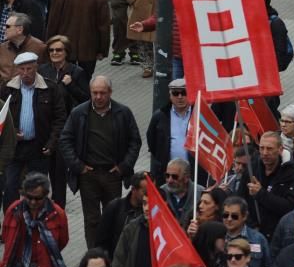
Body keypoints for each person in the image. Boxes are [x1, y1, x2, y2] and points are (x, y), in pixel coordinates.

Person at [59, 75, 141, 248]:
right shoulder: (79, 112)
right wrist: (78, 166)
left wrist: (124, 166)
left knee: (115, 216)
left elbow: (135, 141)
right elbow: (65, 140)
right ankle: (94, 254)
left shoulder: (123, 113)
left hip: (113, 174)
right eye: (94, 93)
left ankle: (113, 253)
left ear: (110, 92)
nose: (98, 97)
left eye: (102, 93)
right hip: (88, 175)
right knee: (92, 219)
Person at [0, 51, 67, 210]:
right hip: (14, 148)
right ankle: (12, 221)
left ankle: (37, 220)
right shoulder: (8, 88)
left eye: (29, 69)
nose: (25, 73)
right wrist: (12, 133)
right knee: (10, 187)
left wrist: (51, 143)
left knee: (37, 189)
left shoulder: (50, 88)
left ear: (36, 68)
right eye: (22, 69)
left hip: (39, 148)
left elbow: (59, 118)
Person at [43, 0, 108, 80]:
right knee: (85, 79)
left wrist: (49, 46)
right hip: (89, 48)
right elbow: (103, 27)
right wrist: (102, 50)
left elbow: (52, 22)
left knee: (63, 78)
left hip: (64, 47)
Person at [239, 131, 294, 239]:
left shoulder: (291, 172)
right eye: (262, 148)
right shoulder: (252, 169)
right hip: (252, 231)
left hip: (279, 233)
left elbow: (290, 207)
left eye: (269, 148)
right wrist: (251, 226)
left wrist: (261, 194)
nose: (265, 152)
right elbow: (239, 200)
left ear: (280, 150)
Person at [145, 77, 192, 185]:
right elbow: (151, 140)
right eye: (175, 93)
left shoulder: (198, 114)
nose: (180, 97)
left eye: (184, 93)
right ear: (170, 96)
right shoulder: (160, 116)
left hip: (193, 173)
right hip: (168, 174)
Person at [222, 196, 272, 267]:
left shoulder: (258, 239)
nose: (229, 219)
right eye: (225, 215)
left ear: (244, 216)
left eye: (234, 216)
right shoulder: (218, 237)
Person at [0, 10, 47, 83]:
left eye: (7, 26)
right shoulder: (2, 48)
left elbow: (45, 74)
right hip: (3, 91)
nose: (4, 29)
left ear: (20, 30)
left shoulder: (40, 48)